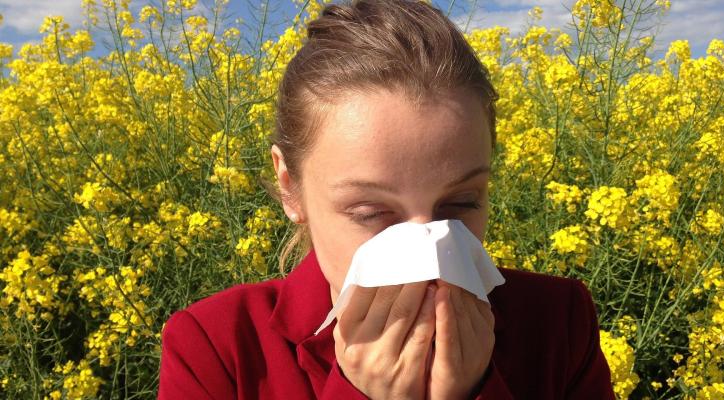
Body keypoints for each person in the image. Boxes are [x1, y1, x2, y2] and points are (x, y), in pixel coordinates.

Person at [157, 0, 615, 398]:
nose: (428, 253)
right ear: (290, 188)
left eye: (461, 204)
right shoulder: (217, 348)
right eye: (371, 212)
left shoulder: (557, 322)